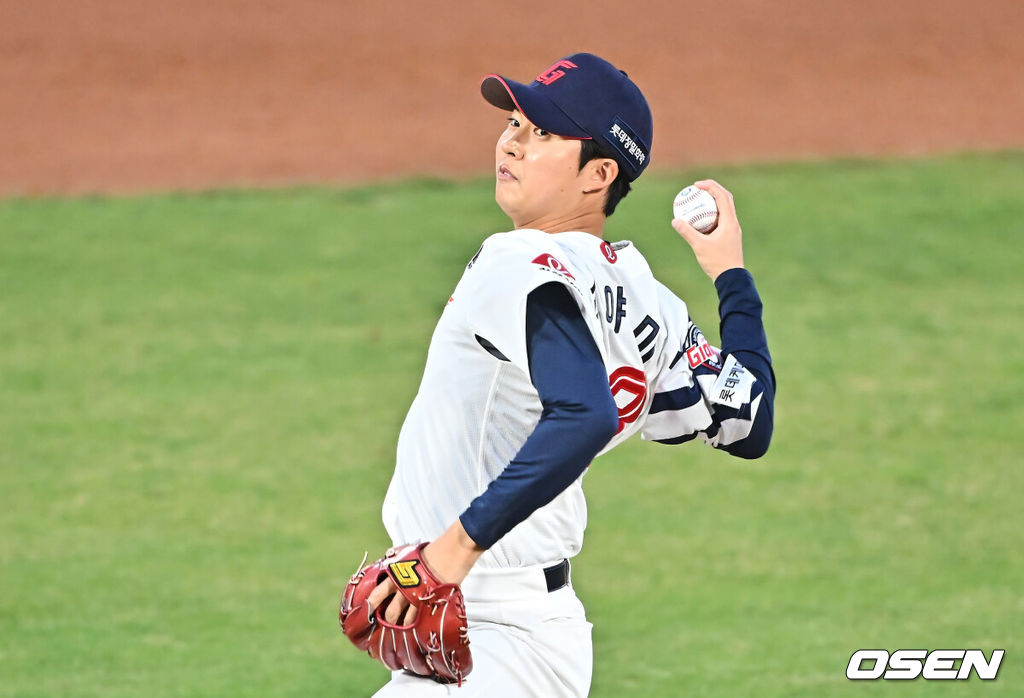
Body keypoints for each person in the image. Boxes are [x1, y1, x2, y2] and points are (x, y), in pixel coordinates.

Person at [365, 52, 775, 696]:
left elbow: (586, 412)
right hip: (538, 634)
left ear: (600, 174)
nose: (513, 141)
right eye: (514, 122)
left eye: (545, 133)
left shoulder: (515, 261)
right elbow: (750, 420)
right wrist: (730, 274)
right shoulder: (648, 301)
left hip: (489, 625)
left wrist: (450, 554)